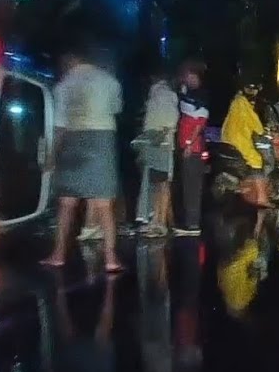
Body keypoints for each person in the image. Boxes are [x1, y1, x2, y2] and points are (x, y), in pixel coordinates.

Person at [43, 45, 124, 273]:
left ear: (69, 62)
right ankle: (110, 259)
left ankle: (58, 254)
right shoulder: (109, 81)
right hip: (101, 140)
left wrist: (52, 155)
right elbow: (116, 109)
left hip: (72, 142)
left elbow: (59, 126)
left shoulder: (63, 86)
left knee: (67, 203)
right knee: (104, 205)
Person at [134, 69, 178, 236]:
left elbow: (170, 122)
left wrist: (158, 138)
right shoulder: (155, 95)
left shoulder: (164, 94)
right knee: (156, 183)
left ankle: (159, 222)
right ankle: (155, 221)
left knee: (161, 183)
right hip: (155, 144)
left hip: (161, 144)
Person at [220, 77, 269, 210]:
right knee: (257, 160)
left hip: (228, 140)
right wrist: (262, 130)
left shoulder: (236, 101)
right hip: (239, 141)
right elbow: (255, 124)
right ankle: (262, 198)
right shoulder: (242, 103)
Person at [174, 59, 208, 236]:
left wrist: (189, 144)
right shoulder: (189, 93)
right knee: (188, 185)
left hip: (192, 148)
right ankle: (190, 222)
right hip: (188, 146)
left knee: (192, 186)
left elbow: (199, 123)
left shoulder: (200, 96)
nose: (184, 79)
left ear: (193, 75)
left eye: (186, 75)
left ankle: (192, 225)